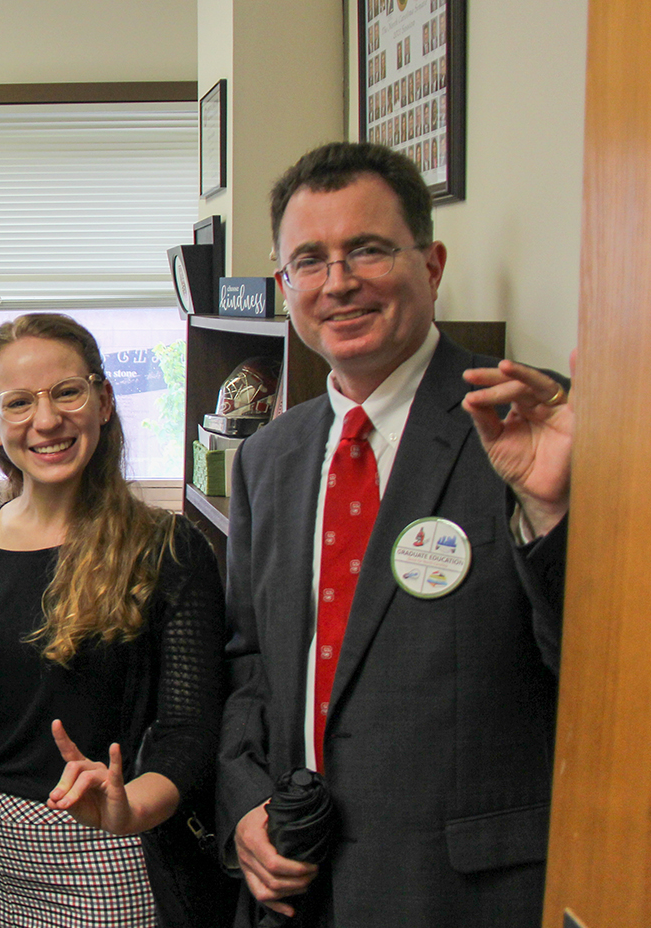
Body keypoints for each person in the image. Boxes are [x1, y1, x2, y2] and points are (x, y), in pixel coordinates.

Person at [218, 141, 573, 928]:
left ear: (433, 264)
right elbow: (251, 663)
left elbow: (600, 667)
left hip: (461, 894)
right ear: (286, 287)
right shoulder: (269, 458)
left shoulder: (530, 429)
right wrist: (245, 802)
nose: (338, 282)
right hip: (298, 885)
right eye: (310, 260)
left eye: (368, 250)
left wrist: (552, 514)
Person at [0, 314, 229, 928]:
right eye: (19, 402)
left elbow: (190, 732)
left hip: (112, 855)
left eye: (67, 391)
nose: (46, 420)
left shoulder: (165, 548)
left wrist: (128, 807)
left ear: (104, 400)